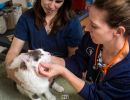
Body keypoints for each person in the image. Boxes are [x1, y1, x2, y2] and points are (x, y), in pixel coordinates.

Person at [38, 0, 130, 99]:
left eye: (94, 26)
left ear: (118, 31)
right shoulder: (91, 39)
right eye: (89, 21)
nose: (86, 29)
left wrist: (63, 71)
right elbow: (79, 61)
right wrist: (50, 59)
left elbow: (96, 96)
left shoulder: (126, 71)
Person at [5, 0, 83, 82]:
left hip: (62, 73)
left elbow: (74, 59)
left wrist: (57, 72)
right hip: (34, 71)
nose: (52, 6)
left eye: (58, 1)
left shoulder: (72, 21)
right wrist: (12, 73)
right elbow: (13, 51)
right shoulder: (27, 18)